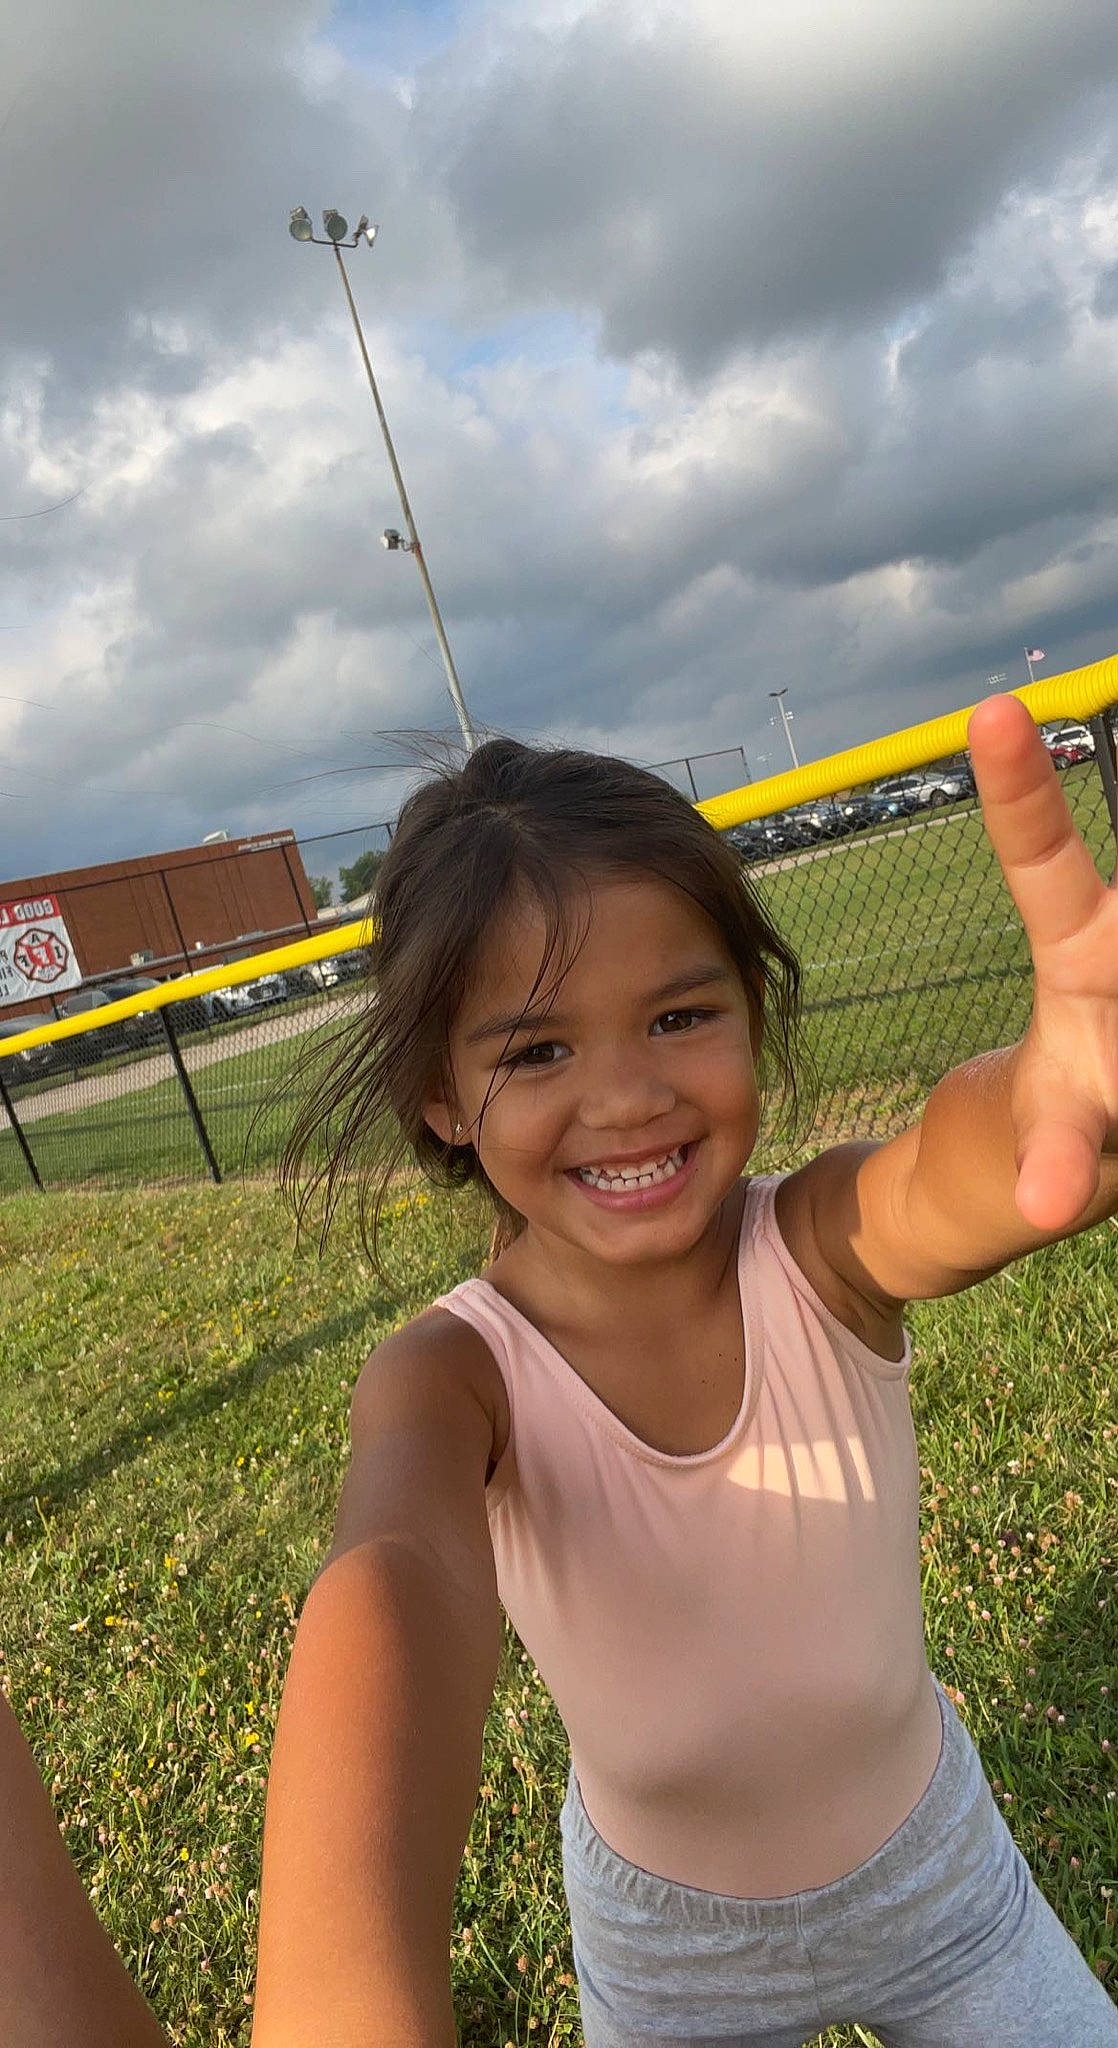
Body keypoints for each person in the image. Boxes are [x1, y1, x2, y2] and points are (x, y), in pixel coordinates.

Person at [253, 693, 1118, 2048]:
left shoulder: (814, 1247)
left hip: (941, 1886)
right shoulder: (450, 1378)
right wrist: (340, 1995)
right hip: (671, 1965)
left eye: (677, 1016)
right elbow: (396, 1589)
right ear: (436, 1094)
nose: (626, 1097)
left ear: (752, 1012)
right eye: (536, 1050)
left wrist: (1050, 1106)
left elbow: (948, 1178)